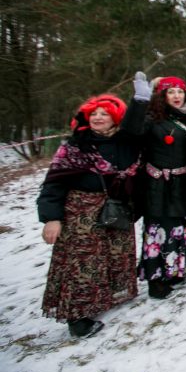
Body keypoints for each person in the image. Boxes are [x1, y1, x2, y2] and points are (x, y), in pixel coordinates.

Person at [38, 77, 149, 338]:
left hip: (117, 209)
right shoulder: (75, 146)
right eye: (94, 114)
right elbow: (53, 184)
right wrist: (51, 218)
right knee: (83, 263)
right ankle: (78, 319)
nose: (98, 118)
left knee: (113, 257)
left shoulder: (125, 142)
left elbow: (134, 128)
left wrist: (140, 101)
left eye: (105, 114)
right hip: (82, 212)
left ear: (115, 117)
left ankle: (105, 298)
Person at [137, 76, 186, 300]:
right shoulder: (152, 119)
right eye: (171, 92)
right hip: (161, 185)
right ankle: (156, 279)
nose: (176, 96)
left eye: (180, 92)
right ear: (162, 96)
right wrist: (139, 103)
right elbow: (132, 134)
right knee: (160, 230)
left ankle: (174, 270)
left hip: (185, 182)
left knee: (181, 226)